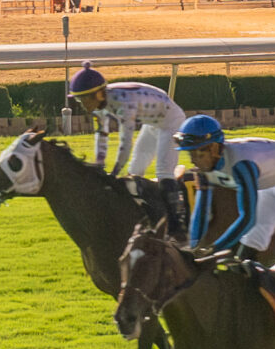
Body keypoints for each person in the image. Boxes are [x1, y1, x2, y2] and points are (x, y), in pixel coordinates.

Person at [178, 113, 275, 333]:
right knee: (252, 240)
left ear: (215, 148)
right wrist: (193, 245)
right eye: (191, 155)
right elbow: (201, 212)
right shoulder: (205, 170)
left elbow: (247, 217)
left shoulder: (241, 165)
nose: (195, 161)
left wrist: (217, 248)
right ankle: (247, 305)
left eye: (200, 153)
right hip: (272, 183)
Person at [70, 64, 187, 228]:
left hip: (171, 122)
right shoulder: (100, 106)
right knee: (135, 171)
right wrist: (99, 165)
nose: (82, 104)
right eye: (78, 99)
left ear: (98, 94)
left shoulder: (124, 103)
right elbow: (101, 137)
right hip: (152, 122)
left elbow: (125, 144)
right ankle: (143, 216)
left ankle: (177, 224)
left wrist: (115, 172)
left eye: (83, 98)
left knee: (163, 171)